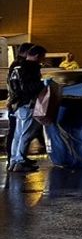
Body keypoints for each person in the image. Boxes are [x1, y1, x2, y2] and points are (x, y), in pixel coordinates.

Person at [7, 45, 46, 173]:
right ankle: (20, 161)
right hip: (27, 104)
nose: (42, 60)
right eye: (42, 57)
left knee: (18, 134)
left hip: (17, 104)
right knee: (27, 133)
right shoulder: (31, 68)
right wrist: (42, 84)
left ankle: (14, 160)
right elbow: (29, 87)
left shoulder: (17, 67)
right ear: (37, 56)